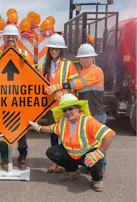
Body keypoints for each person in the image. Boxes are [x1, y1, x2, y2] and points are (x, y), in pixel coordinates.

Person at [29, 94, 115, 192]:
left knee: (96, 160)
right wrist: (38, 127)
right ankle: (72, 171)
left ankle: (97, 179)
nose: (67, 112)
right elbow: (52, 128)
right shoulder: (63, 121)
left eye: (70, 109)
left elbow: (109, 134)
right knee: (52, 152)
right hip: (71, 154)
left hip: (87, 155)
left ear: (78, 108)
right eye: (65, 110)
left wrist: (99, 153)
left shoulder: (88, 121)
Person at [45, 43, 108, 172]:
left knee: (98, 143)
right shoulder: (83, 70)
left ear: (93, 58)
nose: (83, 60)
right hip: (87, 112)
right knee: (88, 141)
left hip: (96, 112)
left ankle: (101, 168)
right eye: (81, 58)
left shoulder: (96, 70)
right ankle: (90, 165)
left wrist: (58, 86)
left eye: (86, 58)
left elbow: (78, 84)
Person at [0, 24, 33, 171]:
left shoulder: (25, 54)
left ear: (17, 38)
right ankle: (5, 158)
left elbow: (32, 75)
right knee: (2, 129)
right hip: (1, 99)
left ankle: (22, 156)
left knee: (22, 129)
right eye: (8, 37)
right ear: (3, 39)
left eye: (13, 36)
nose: (10, 39)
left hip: (20, 99)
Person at [38, 34, 79, 173]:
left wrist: (58, 87)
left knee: (65, 134)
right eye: (52, 49)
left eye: (57, 49)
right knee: (54, 134)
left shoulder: (68, 64)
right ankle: (54, 162)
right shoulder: (45, 65)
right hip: (51, 106)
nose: (54, 52)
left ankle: (63, 162)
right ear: (49, 50)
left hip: (65, 106)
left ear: (61, 50)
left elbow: (75, 83)